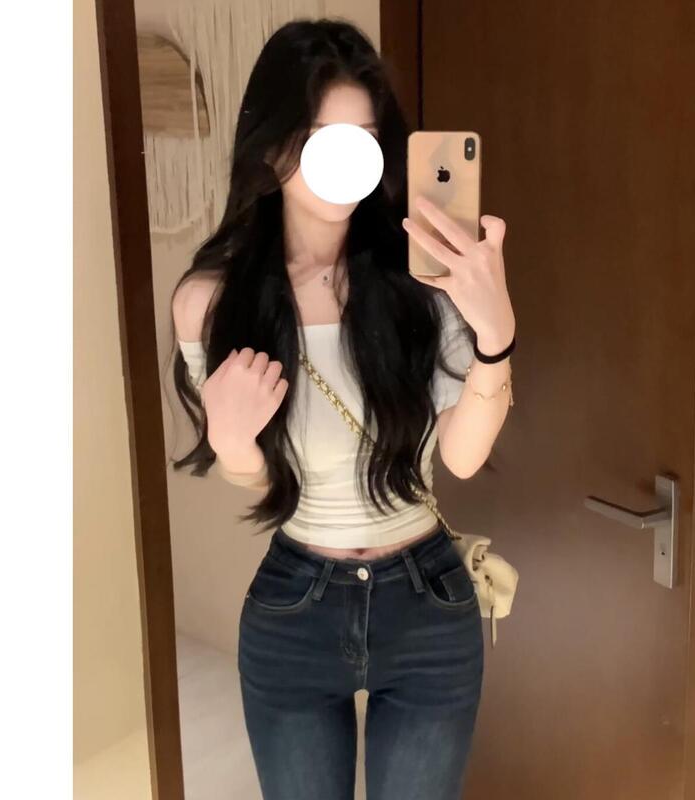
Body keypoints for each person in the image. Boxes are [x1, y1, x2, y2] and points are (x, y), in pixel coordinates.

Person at [170, 18, 515, 800]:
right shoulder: (211, 303)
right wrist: (232, 440)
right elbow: (263, 486)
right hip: (298, 602)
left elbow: (461, 458)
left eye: (362, 139)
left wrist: (495, 337)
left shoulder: (423, 285)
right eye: (323, 139)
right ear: (272, 148)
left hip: (427, 600)